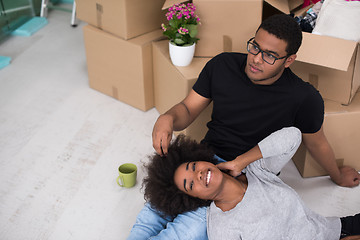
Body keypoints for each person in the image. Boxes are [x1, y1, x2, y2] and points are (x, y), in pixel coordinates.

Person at [127, 14, 360, 239]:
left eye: (270, 55)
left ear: (289, 60)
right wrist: (167, 118)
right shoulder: (223, 65)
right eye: (255, 47)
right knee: (150, 217)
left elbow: (316, 142)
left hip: (246, 178)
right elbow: (188, 108)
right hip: (202, 160)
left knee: (185, 233)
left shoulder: (304, 98)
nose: (257, 59)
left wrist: (337, 175)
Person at [143, 128, 360, 240]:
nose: (198, 175)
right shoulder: (222, 228)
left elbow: (292, 135)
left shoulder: (256, 171)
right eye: (190, 185)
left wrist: (241, 161)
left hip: (333, 228)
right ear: (193, 198)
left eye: (193, 166)